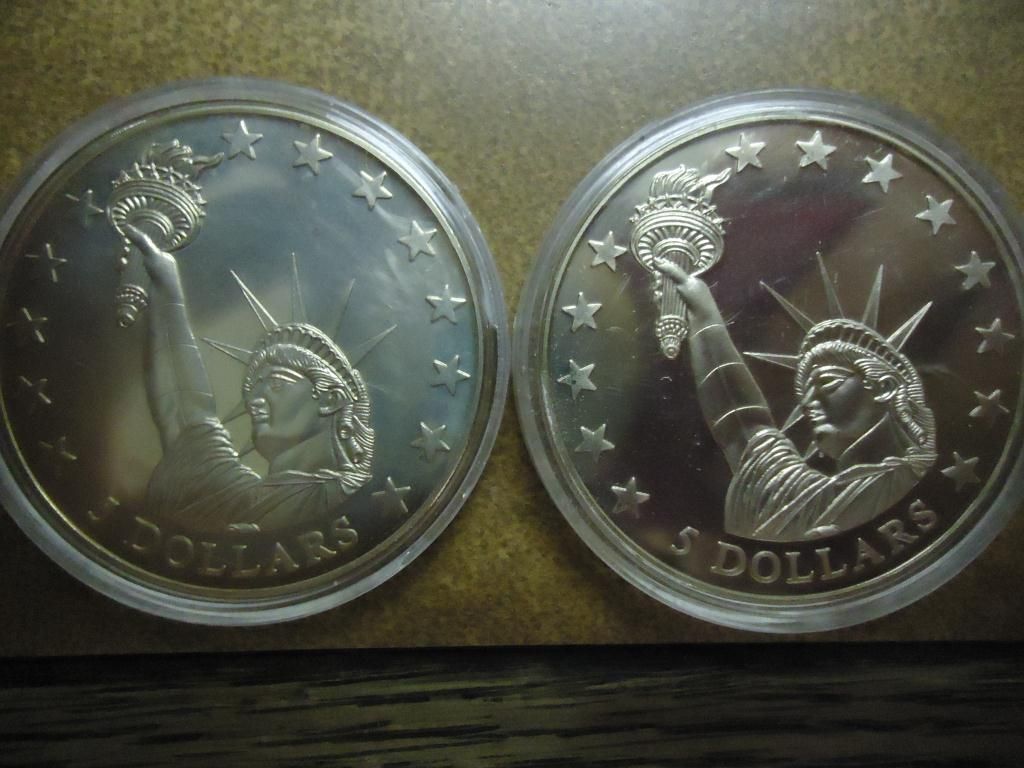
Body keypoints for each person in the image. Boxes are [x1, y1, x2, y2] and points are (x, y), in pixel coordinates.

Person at [655, 258, 936, 542]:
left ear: (884, 386)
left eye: (826, 383)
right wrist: (703, 314)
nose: (807, 404)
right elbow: (743, 428)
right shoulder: (805, 500)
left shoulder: (918, 483)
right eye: (804, 395)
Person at [123, 223, 374, 535]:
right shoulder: (231, 499)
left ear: (330, 398)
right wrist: (166, 286)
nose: (253, 401)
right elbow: (184, 414)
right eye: (252, 390)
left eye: (277, 384)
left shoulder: (353, 500)